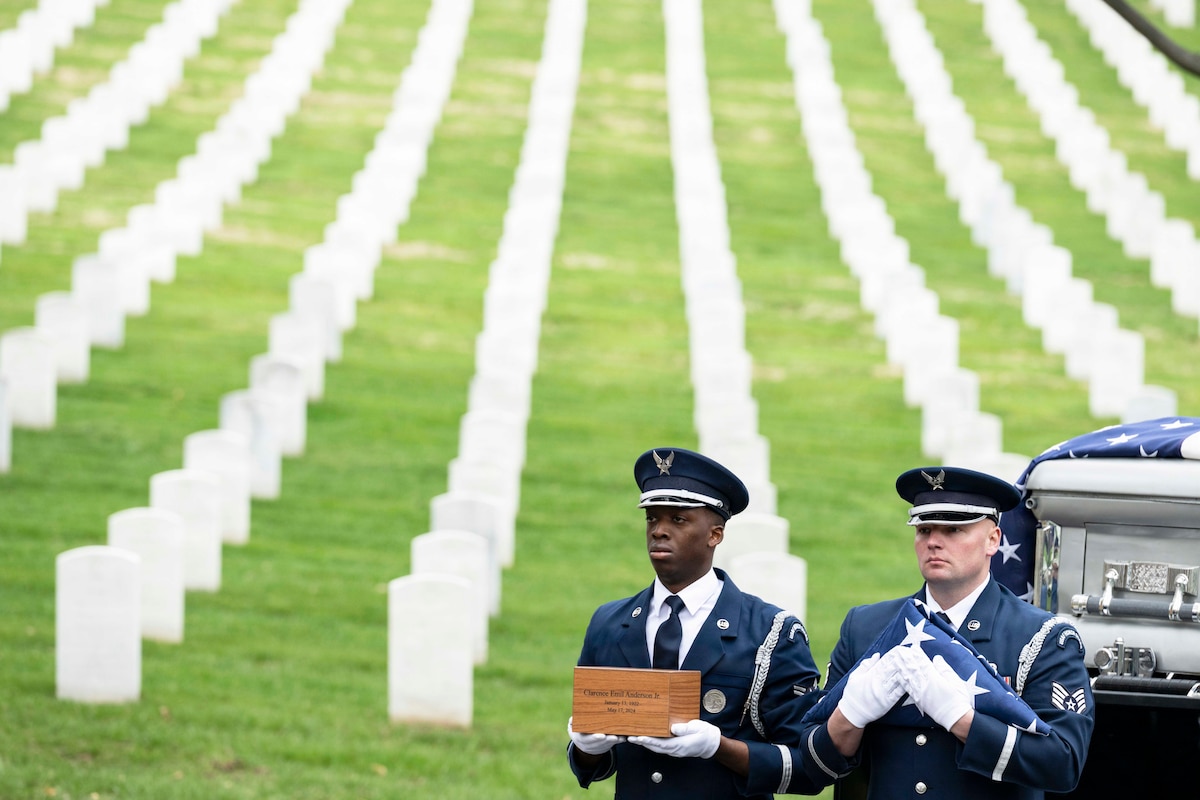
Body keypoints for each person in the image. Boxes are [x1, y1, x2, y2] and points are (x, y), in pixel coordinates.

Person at [800, 466, 1095, 799]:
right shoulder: (866, 627)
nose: (934, 542)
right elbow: (812, 767)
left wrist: (962, 719)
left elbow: (1062, 763)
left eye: (954, 529)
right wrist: (848, 717)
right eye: (924, 529)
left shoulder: (1041, 638)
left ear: (993, 540)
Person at [567, 447, 828, 798]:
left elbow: (806, 768)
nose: (659, 531)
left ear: (715, 534)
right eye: (652, 519)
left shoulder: (771, 632)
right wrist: (587, 748)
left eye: (678, 520)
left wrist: (718, 746)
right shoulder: (609, 623)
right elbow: (594, 762)